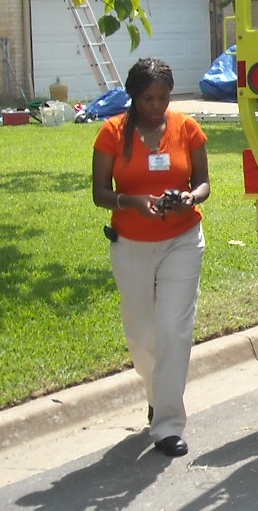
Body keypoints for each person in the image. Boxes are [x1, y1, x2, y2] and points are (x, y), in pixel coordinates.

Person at [90, 58, 210, 457]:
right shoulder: (112, 133)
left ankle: (168, 424)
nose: (156, 106)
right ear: (134, 97)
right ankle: (156, 396)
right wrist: (133, 202)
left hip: (182, 240)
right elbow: (100, 193)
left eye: (163, 98)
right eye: (148, 99)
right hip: (131, 242)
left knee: (174, 330)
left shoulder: (187, 128)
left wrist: (188, 198)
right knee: (142, 335)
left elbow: (203, 183)